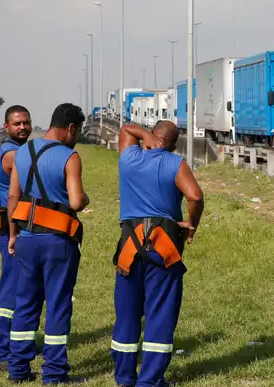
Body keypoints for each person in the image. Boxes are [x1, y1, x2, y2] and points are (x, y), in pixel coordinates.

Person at [111, 121, 204, 387]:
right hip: (163, 248)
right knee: (160, 314)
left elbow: (126, 129)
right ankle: (150, 381)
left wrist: (145, 135)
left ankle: (125, 378)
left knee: (127, 315)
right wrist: (191, 224)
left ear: (151, 136)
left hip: (129, 248)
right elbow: (195, 196)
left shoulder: (129, 157)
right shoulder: (175, 163)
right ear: (174, 143)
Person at [6, 103, 89, 384]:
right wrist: (85, 198)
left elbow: (13, 198)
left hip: (26, 237)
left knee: (26, 304)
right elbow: (76, 201)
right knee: (57, 304)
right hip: (57, 242)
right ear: (70, 128)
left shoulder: (22, 152)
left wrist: (14, 234)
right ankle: (53, 373)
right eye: (77, 131)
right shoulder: (70, 156)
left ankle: (17, 369)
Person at [0, 105, 33, 370]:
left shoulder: (22, 150)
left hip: (22, 226)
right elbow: (29, 167)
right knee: (11, 288)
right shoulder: (10, 153)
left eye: (26, 122)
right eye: (17, 123)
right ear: (6, 127)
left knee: (23, 288)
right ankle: (0, 352)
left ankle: (17, 343)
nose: (23, 127)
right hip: (11, 228)